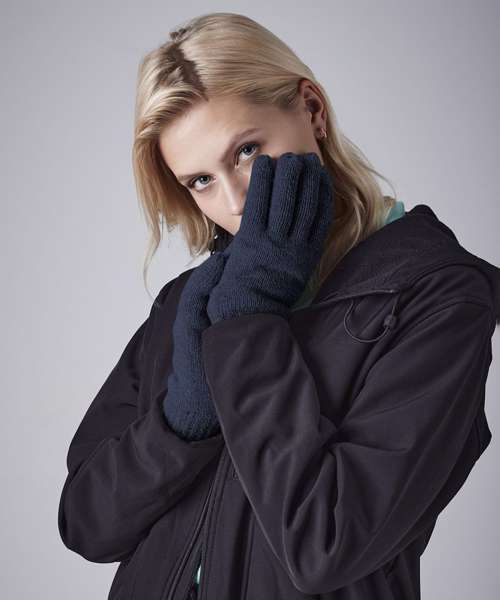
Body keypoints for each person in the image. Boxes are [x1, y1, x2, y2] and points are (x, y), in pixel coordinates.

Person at [57, 12, 500, 600]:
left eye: (246, 151)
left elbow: (326, 544)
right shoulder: (188, 305)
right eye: (200, 181)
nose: (234, 201)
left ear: (312, 110)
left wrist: (247, 326)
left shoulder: (435, 296)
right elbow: (86, 524)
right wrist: (183, 421)